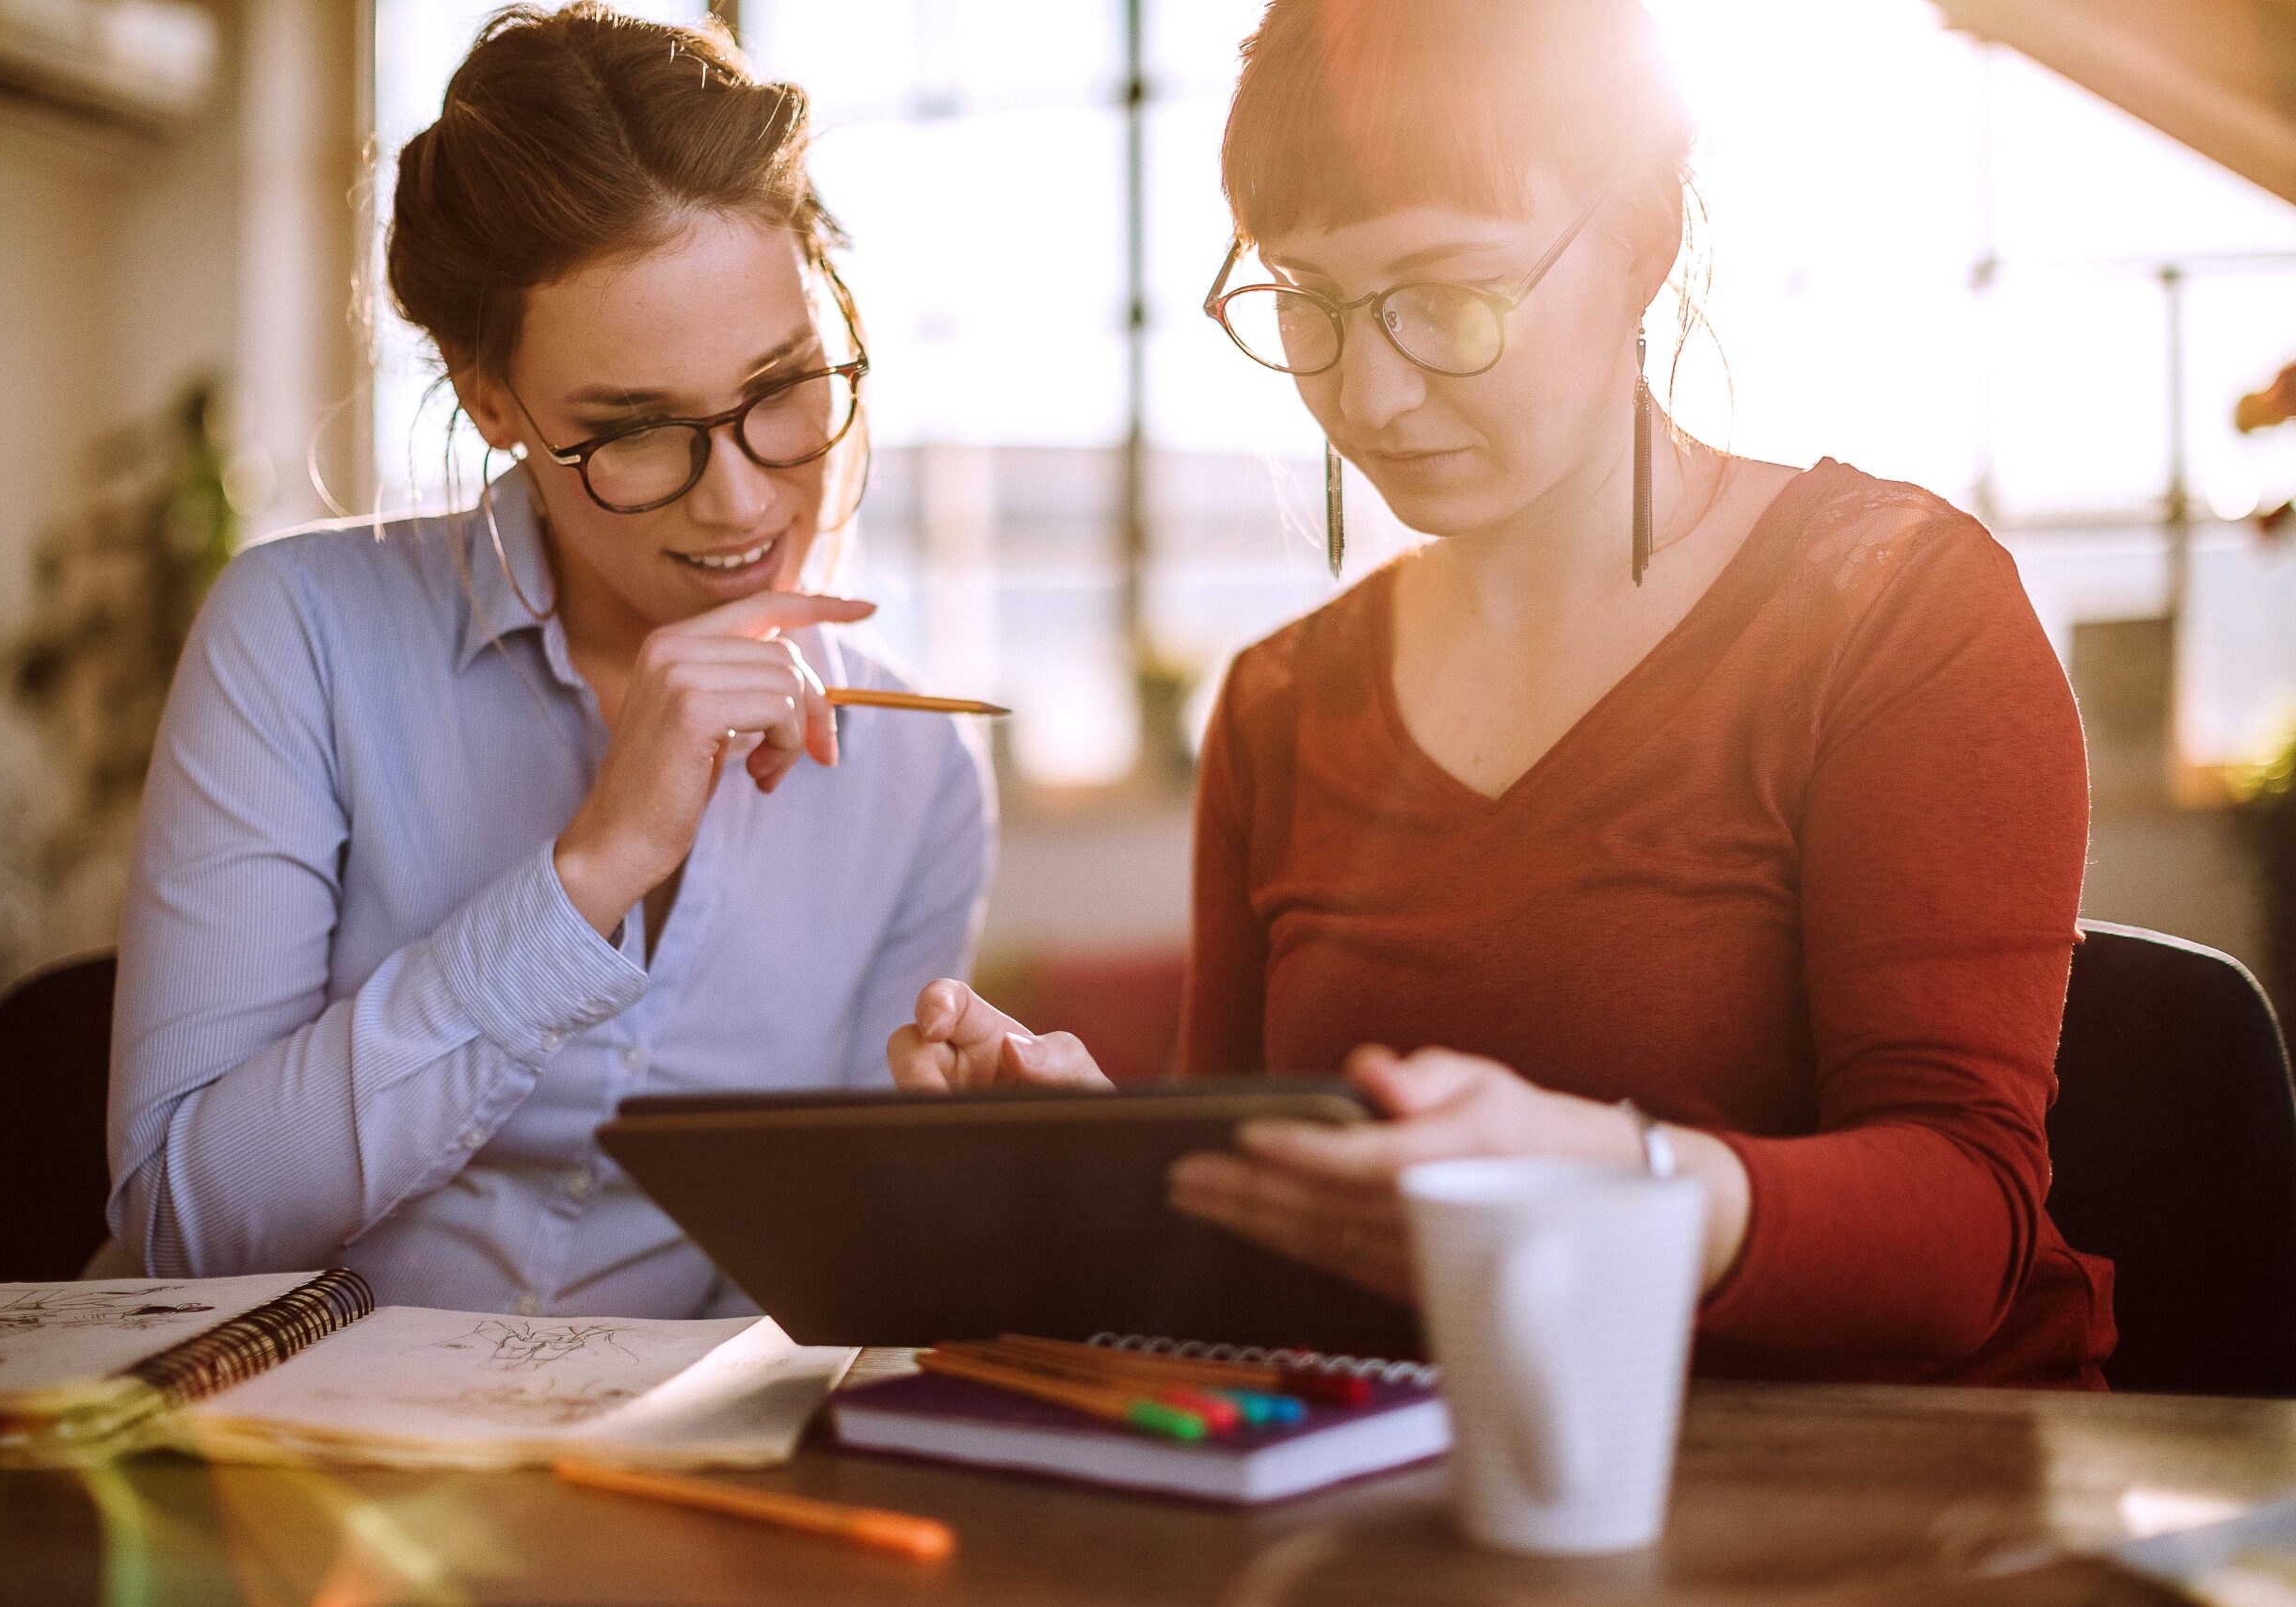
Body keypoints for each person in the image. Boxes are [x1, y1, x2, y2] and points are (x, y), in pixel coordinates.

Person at [890, 0, 2113, 1388]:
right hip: (1430, 1500)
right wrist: (1103, 1160)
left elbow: (1963, 1241)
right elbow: (1261, 1281)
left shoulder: (1892, 612)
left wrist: (1611, 1177)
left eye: (1449, 299)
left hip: (1872, 1506)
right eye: (1309, 302)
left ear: (1642, 247)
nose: (1369, 392)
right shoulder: (1283, 703)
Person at [107, 5, 993, 1318]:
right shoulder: (298, 634)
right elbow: (186, 1224)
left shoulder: (916, 770)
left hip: (673, 1494)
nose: (745, 503)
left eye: (783, 387)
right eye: (637, 430)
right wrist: (589, 875)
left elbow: (818, 1303)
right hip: (280, 1457)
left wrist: (987, 1187)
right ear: (491, 401)